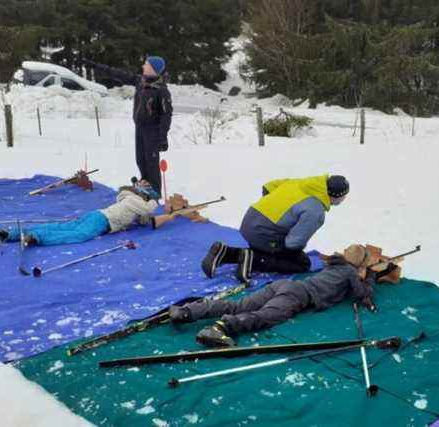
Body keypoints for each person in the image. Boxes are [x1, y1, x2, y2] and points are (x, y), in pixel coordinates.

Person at [170, 244, 397, 347]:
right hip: (298, 295)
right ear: (359, 265)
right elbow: (363, 295)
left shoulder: (333, 266)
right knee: (265, 317)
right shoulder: (349, 272)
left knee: (238, 305)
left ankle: (187, 312)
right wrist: (369, 277)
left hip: (284, 285)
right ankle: (221, 329)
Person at [201, 174, 349, 282]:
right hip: (262, 233)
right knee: (302, 263)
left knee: (271, 249)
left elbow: (269, 186)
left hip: (249, 220)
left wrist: (273, 207)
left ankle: (225, 252)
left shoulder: (302, 183)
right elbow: (293, 243)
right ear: (336, 197)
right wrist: (289, 251)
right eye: (343, 197)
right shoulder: (316, 211)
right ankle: (253, 260)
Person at [81, 56, 173, 195]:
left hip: (152, 131)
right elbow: (119, 74)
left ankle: (154, 192)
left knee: (151, 163)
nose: (143, 66)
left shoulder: (161, 90)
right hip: (140, 129)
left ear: (153, 69)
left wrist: (162, 137)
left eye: (146, 64)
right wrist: (96, 66)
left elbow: (166, 115)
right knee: (141, 160)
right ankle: (145, 184)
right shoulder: (140, 81)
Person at [0, 180, 159, 247]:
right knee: (76, 235)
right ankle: (35, 238)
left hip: (97, 215)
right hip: (103, 221)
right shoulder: (135, 200)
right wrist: (155, 200)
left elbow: (143, 219)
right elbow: (147, 209)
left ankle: (11, 234)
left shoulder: (129, 198)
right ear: (143, 194)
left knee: (62, 227)